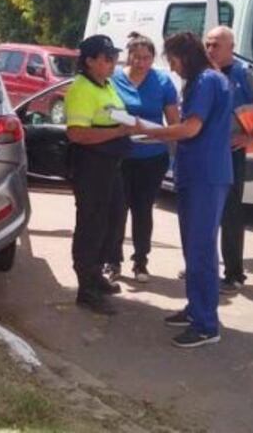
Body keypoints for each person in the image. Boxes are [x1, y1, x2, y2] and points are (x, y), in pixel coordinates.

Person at [140, 32, 233, 348]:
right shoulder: (205, 80)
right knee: (195, 248)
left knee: (201, 250)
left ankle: (206, 325)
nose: (174, 68)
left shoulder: (207, 81)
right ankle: (197, 309)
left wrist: (150, 131)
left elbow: (191, 127)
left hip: (205, 175)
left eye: (174, 60)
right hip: (198, 174)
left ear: (186, 56)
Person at [204, 26, 253, 294]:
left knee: (231, 213)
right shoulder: (205, 72)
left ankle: (234, 273)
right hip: (205, 151)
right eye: (208, 44)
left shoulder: (243, 74)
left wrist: (252, 137)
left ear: (230, 47)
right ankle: (205, 265)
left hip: (231, 153)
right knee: (205, 212)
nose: (211, 49)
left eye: (216, 45)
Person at [64, 34, 136, 315]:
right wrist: (118, 132)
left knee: (112, 218)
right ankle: (86, 288)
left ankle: (95, 274)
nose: (112, 63)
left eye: (114, 58)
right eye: (106, 58)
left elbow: (115, 115)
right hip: (91, 166)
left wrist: (130, 126)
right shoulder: (82, 88)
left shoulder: (106, 85)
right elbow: (76, 133)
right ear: (90, 61)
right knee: (91, 224)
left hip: (111, 165)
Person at [103, 32, 179, 284]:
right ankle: (112, 261)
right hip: (120, 155)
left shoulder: (163, 81)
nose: (141, 63)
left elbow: (174, 122)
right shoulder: (113, 80)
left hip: (152, 156)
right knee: (116, 209)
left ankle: (141, 261)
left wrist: (159, 135)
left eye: (146, 58)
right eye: (136, 57)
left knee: (142, 210)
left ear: (153, 59)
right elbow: (104, 113)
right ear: (128, 57)